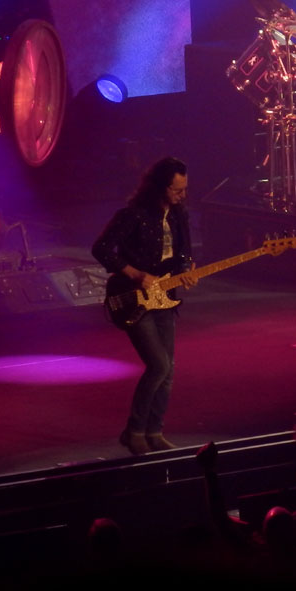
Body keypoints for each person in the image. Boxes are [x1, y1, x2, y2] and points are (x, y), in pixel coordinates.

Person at [92, 157, 198, 456]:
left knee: (169, 370)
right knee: (159, 365)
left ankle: (154, 432)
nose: (182, 195)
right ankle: (134, 431)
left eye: (185, 189)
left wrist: (187, 270)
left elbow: (184, 254)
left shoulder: (179, 215)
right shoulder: (133, 215)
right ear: (160, 187)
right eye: (177, 190)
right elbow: (101, 249)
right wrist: (135, 274)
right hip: (133, 297)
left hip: (165, 297)